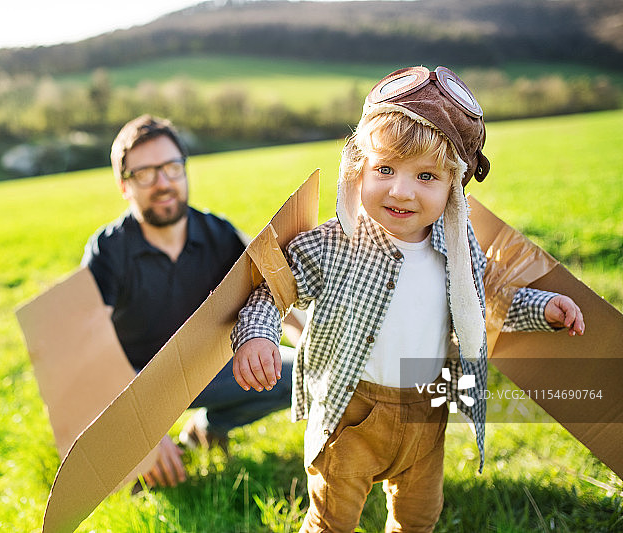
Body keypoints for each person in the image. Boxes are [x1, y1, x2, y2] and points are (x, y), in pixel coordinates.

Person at [230, 66, 586, 532]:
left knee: (418, 518)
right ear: (358, 167)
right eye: (385, 169)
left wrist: (542, 309)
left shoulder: (456, 246)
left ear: (453, 187)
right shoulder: (333, 244)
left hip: (426, 410)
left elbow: (485, 298)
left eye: (425, 175)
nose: (401, 191)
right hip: (351, 411)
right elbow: (271, 292)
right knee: (332, 520)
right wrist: (257, 336)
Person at [81, 114, 299, 488]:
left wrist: (313, 347)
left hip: (204, 369)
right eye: (145, 174)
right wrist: (139, 432)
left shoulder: (219, 232)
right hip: (135, 384)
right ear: (124, 185)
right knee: (133, 476)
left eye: (171, 167)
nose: (163, 182)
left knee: (299, 372)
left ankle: (207, 429)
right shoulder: (107, 250)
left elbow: (276, 291)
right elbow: (88, 350)